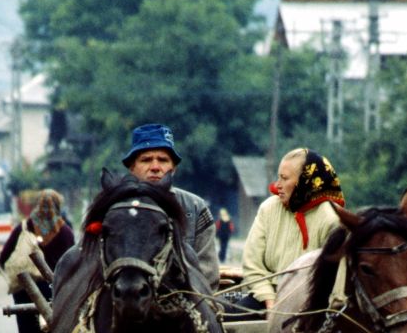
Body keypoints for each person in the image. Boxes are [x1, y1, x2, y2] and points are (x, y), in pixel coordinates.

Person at [239, 148, 344, 316]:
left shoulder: (330, 219)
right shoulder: (268, 208)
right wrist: (269, 301)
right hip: (266, 297)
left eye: (285, 178)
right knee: (221, 321)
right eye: (278, 177)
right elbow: (253, 264)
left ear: (305, 181)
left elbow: (333, 279)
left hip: (312, 304)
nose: (277, 185)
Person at [0, 189, 75, 333]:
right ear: (58, 207)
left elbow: (5, 255)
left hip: (25, 290)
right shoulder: (66, 232)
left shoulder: (23, 228)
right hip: (54, 290)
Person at [122, 123, 220, 289]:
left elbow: (207, 275)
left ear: (173, 168)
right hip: (126, 302)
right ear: (132, 167)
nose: (155, 167)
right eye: (146, 160)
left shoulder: (195, 207)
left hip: (183, 304)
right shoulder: (114, 208)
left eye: (163, 160)